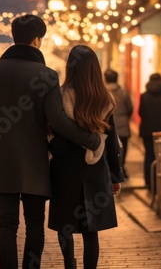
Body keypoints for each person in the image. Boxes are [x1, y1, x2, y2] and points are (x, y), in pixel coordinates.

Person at [0, 14, 103, 269]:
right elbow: (58, 121)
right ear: (36, 40)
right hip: (34, 162)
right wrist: (91, 139)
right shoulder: (46, 75)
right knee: (34, 224)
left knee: (7, 224)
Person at [48, 45, 124, 269]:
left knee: (65, 225)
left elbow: (56, 135)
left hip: (65, 169)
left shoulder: (62, 96)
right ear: (95, 67)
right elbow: (111, 141)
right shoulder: (105, 99)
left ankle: (69, 265)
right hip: (95, 168)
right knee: (92, 230)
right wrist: (116, 175)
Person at [104, 68, 133, 180]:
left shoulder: (103, 93)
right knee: (123, 149)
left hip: (108, 126)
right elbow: (130, 109)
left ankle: (112, 172)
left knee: (110, 149)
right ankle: (121, 169)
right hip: (123, 126)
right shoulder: (124, 93)